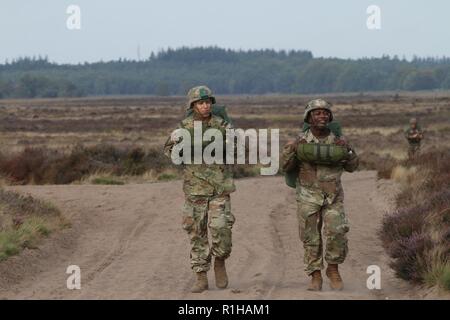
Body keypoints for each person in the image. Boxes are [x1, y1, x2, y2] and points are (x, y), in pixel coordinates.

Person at [163, 85, 236, 293]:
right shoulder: (184, 127)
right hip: (195, 190)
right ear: (193, 105)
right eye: (200, 103)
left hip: (219, 188)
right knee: (197, 233)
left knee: (222, 229)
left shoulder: (222, 125)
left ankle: (220, 261)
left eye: (207, 102)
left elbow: (236, 152)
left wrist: (232, 140)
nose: (205, 106)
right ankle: (201, 275)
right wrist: (175, 142)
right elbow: (171, 155)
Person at [281, 99, 359, 291]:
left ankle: (333, 270)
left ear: (330, 117)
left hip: (333, 196)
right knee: (310, 237)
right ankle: (315, 274)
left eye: (325, 113)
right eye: (317, 113)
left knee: (337, 231)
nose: (322, 116)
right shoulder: (301, 141)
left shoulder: (338, 141)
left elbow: (353, 167)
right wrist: (292, 149)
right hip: (308, 195)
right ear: (309, 118)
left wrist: (348, 150)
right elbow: (285, 166)